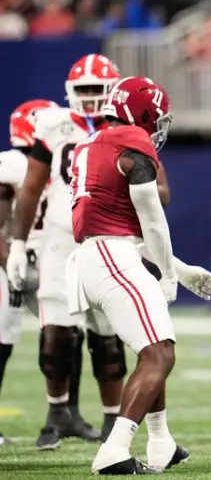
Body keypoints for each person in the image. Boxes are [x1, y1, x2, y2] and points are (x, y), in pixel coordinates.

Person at [68, 76, 211, 474]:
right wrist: (168, 275)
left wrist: (180, 271)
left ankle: (160, 441)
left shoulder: (89, 143)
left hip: (94, 256)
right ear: (145, 112)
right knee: (160, 353)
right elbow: (151, 219)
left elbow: (126, 225)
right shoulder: (133, 139)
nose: (158, 127)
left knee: (150, 347)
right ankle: (114, 449)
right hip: (113, 257)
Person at [6, 54, 128, 450]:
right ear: (69, 94)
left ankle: (113, 420)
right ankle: (58, 412)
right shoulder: (53, 125)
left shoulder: (127, 126)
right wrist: (18, 245)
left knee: (108, 337)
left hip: (106, 239)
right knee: (55, 336)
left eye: (98, 90)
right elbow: (29, 188)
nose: (91, 99)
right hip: (60, 243)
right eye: (84, 91)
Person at [0, 99, 60, 446]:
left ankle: (63, 414)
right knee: (3, 340)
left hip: (41, 259)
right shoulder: (13, 163)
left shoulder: (51, 162)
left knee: (58, 334)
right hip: (13, 260)